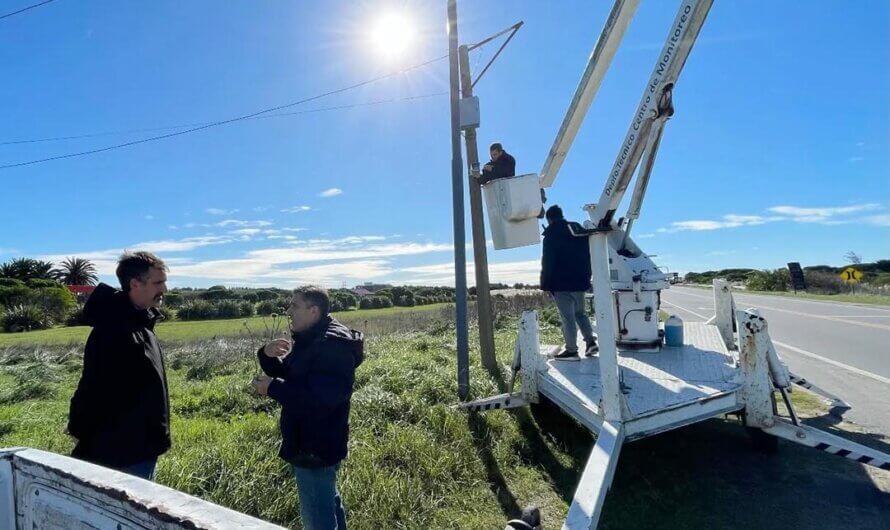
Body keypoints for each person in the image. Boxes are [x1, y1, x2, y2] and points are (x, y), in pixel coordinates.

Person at [253, 285, 364, 530]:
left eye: (294, 305)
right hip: (313, 438)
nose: (288, 311)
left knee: (317, 516)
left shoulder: (331, 345)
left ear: (313, 311)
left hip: (315, 443)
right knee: (327, 500)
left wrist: (272, 388)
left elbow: (321, 400)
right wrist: (267, 355)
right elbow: (294, 375)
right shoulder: (313, 337)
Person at [67, 251, 170, 480]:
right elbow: (92, 387)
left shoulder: (141, 324)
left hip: (143, 447)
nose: (164, 289)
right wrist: (80, 429)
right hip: (120, 454)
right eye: (158, 283)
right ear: (135, 284)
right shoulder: (112, 330)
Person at [540, 205, 598, 360]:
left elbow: (548, 262)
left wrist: (545, 285)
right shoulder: (577, 229)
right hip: (580, 281)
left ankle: (572, 351)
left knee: (567, 318)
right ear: (562, 215)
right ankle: (591, 342)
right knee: (580, 313)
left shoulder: (551, 235)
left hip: (561, 284)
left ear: (549, 219)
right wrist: (587, 277)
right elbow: (588, 255)